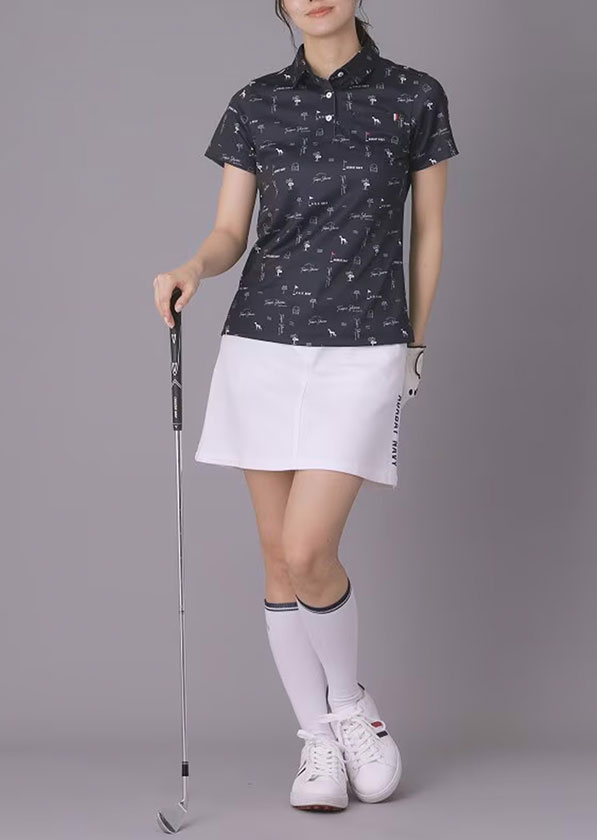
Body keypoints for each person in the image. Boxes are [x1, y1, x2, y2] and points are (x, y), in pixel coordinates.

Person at [153, 0, 459, 813]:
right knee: (277, 556)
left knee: (308, 549)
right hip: (261, 344)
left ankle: (352, 708)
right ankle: (318, 740)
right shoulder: (255, 103)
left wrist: (415, 342)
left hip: (363, 346)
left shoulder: (414, 95)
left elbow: (428, 231)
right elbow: (231, 231)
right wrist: (192, 268)